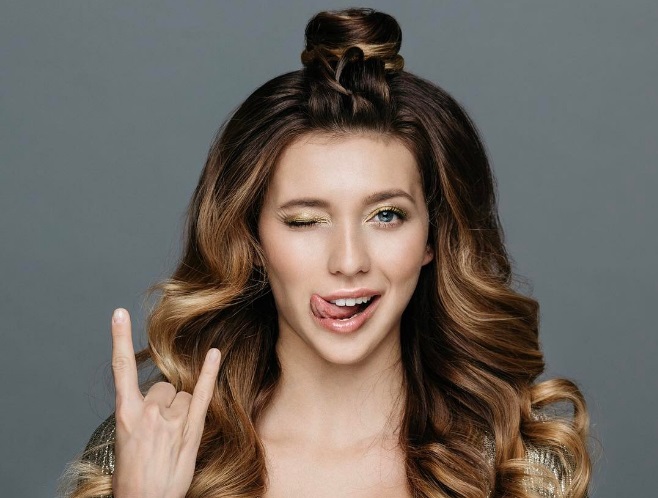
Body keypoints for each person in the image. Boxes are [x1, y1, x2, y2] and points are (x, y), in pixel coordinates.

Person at [63, 8, 591, 498]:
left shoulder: (516, 465)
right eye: (305, 220)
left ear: (432, 237)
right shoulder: (154, 447)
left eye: (386, 215)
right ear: (252, 240)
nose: (348, 260)